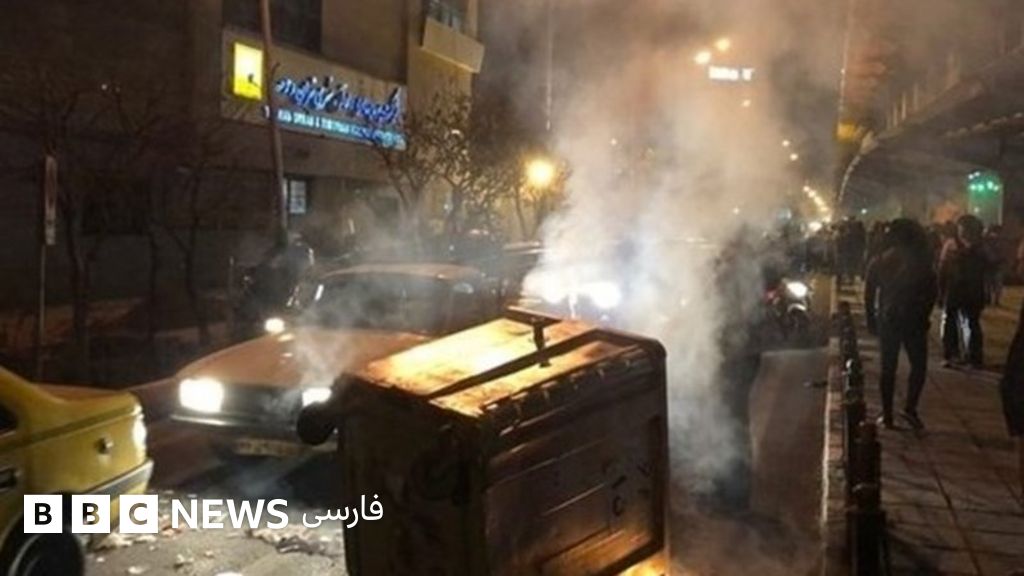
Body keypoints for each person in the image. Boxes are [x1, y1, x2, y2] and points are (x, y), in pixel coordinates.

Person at [710, 231, 765, 513]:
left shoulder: (732, 275)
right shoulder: (748, 269)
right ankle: (728, 485)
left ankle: (733, 491)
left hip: (736, 355)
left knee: (731, 419)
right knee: (730, 417)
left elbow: (724, 316)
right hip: (741, 354)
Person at [864, 219, 937, 430]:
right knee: (918, 366)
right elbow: (932, 292)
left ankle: (887, 414)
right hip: (915, 321)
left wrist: (871, 320)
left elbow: (869, 294)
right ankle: (910, 408)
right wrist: (925, 315)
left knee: (888, 368)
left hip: (889, 320)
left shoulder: (880, 261)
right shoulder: (923, 262)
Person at [938, 215, 988, 369]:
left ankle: (972, 356)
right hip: (957, 289)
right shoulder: (952, 245)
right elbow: (942, 268)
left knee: (971, 323)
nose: (962, 231)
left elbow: (988, 270)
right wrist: (941, 290)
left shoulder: (979, 247)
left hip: (970, 290)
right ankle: (952, 354)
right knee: (952, 322)